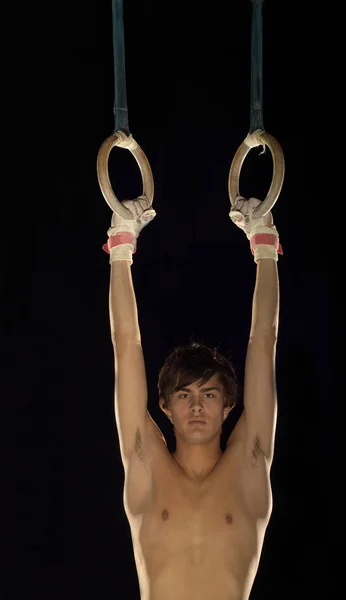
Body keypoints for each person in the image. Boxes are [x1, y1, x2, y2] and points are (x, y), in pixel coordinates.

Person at [103, 194, 282, 600]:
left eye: (209, 394)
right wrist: (121, 246)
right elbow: (125, 345)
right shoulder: (144, 465)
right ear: (164, 406)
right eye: (184, 395)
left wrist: (265, 245)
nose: (197, 406)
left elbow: (263, 343)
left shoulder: (250, 463)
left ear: (229, 405)